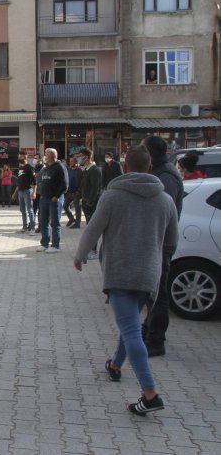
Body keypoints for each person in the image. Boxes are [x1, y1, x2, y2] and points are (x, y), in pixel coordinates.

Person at [74, 145, 178, 416]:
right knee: (130, 323)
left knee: (132, 331)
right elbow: (172, 241)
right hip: (148, 275)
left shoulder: (112, 196)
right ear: (151, 168)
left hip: (119, 272)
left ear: (124, 167)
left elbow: (93, 229)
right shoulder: (165, 200)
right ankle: (115, 365)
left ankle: (150, 393)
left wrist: (80, 256)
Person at [141, 135, 183, 357]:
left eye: (142, 149)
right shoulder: (159, 171)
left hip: (160, 243)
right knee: (152, 293)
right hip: (156, 242)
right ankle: (148, 330)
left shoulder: (165, 176)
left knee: (158, 294)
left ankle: (155, 340)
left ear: (150, 152)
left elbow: (162, 211)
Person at [35, 148, 66, 254]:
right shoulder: (46, 168)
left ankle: (55, 245)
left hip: (54, 200)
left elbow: (65, 184)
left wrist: (56, 196)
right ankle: (44, 243)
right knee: (43, 221)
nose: (45, 156)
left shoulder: (60, 167)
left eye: (46, 154)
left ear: (53, 156)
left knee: (55, 222)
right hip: (44, 198)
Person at [77, 148, 102, 260]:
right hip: (86, 202)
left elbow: (95, 188)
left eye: (81, 155)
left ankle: (94, 250)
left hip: (91, 203)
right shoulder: (85, 169)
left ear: (87, 157)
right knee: (89, 226)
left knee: (92, 227)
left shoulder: (94, 170)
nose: (79, 158)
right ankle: (90, 248)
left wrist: (90, 201)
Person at [11, 151, 36, 234]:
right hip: (20, 192)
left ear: (25, 157)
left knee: (30, 210)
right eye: (19, 157)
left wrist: (34, 192)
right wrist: (15, 193)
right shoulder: (20, 168)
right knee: (23, 210)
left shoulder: (29, 167)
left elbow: (34, 181)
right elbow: (19, 182)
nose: (19, 158)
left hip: (28, 191)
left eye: (20, 157)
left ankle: (32, 229)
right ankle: (24, 227)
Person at [65, 156, 83, 228]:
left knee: (77, 208)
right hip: (68, 192)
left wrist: (79, 191)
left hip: (76, 192)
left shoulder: (79, 170)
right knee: (65, 206)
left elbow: (82, 182)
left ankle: (77, 223)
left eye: (72, 161)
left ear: (76, 162)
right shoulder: (68, 170)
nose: (70, 162)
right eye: (70, 161)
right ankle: (71, 219)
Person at [32, 153, 44, 223]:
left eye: (36, 158)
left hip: (41, 191)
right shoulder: (35, 167)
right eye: (34, 158)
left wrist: (36, 175)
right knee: (33, 208)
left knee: (40, 208)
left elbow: (41, 177)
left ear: (40, 159)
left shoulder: (43, 167)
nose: (34, 159)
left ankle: (40, 224)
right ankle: (32, 223)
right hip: (35, 190)